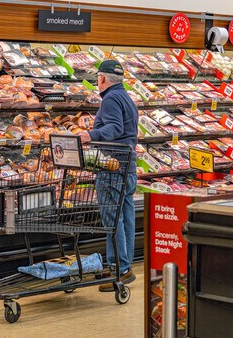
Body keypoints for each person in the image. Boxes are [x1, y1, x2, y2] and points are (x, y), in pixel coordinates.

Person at [78, 59, 138, 292]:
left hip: (112, 165)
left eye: (97, 79)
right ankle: (125, 266)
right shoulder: (126, 97)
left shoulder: (111, 99)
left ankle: (117, 268)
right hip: (127, 165)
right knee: (125, 216)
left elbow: (115, 128)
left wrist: (89, 135)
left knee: (112, 219)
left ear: (102, 79)